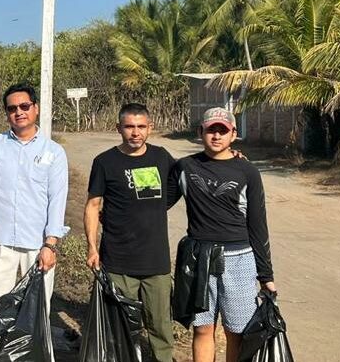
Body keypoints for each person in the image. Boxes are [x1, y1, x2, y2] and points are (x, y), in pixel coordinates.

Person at [0, 83, 69, 362]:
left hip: (38, 248)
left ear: (35, 108)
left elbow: (57, 201)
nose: (19, 112)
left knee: (36, 314)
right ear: (6, 113)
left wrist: (51, 244)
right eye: (12, 108)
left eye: (24, 106)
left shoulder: (54, 152)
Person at [168, 107, 276, 362]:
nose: (216, 136)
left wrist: (266, 275)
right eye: (211, 130)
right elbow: (157, 204)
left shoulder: (247, 172)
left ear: (233, 134)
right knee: (203, 328)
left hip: (239, 259)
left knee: (237, 331)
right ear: (200, 132)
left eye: (222, 130)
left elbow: (258, 225)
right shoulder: (185, 167)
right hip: (199, 259)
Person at [84, 103, 176, 362]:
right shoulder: (105, 162)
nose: (135, 132)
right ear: (118, 128)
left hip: (156, 263)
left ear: (150, 128)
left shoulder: (161, 157)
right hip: (118, 262)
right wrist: (92, 247)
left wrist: (231, 155)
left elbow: (187, 176)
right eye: (129, 127)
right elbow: (92, 206)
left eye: (141, 127)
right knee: (121, 330)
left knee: (160, 330)